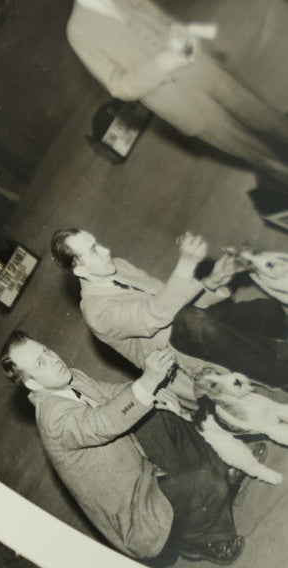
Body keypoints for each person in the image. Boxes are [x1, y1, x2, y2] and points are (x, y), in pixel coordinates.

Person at [0, 331, 244, 564]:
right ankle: (203, 540)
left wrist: (155, 394)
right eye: (41, 363)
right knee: (207, 484)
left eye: (47, 350)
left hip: (139, 465)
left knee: (156, 416)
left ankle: (222, 469)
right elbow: (103, 422)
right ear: (32, 383)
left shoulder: (69, 378)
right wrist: (148, 383)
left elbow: (115, 394)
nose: (54, 359)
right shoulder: (54, 420)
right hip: (136, 507)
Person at [66, 0, 288, 183]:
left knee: (264, 114)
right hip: (174, 99)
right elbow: (119, 86)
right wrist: (164, 63)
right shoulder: (78, 31)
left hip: (199, 68)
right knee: (250, 148)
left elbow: (162, 20)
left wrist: (181, 33)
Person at [51, 228, 288, 396]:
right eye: (94, 250)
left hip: (196, 322)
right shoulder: (97, 313)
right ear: (80, 269)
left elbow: (173, 298)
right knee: (192, 321)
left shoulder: (118, 268)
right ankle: (281, 373)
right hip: (181, 357)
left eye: (97, 243)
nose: (105, 250)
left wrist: (213, 280)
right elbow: (158, 314)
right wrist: (186, 263)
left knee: (266, 312)